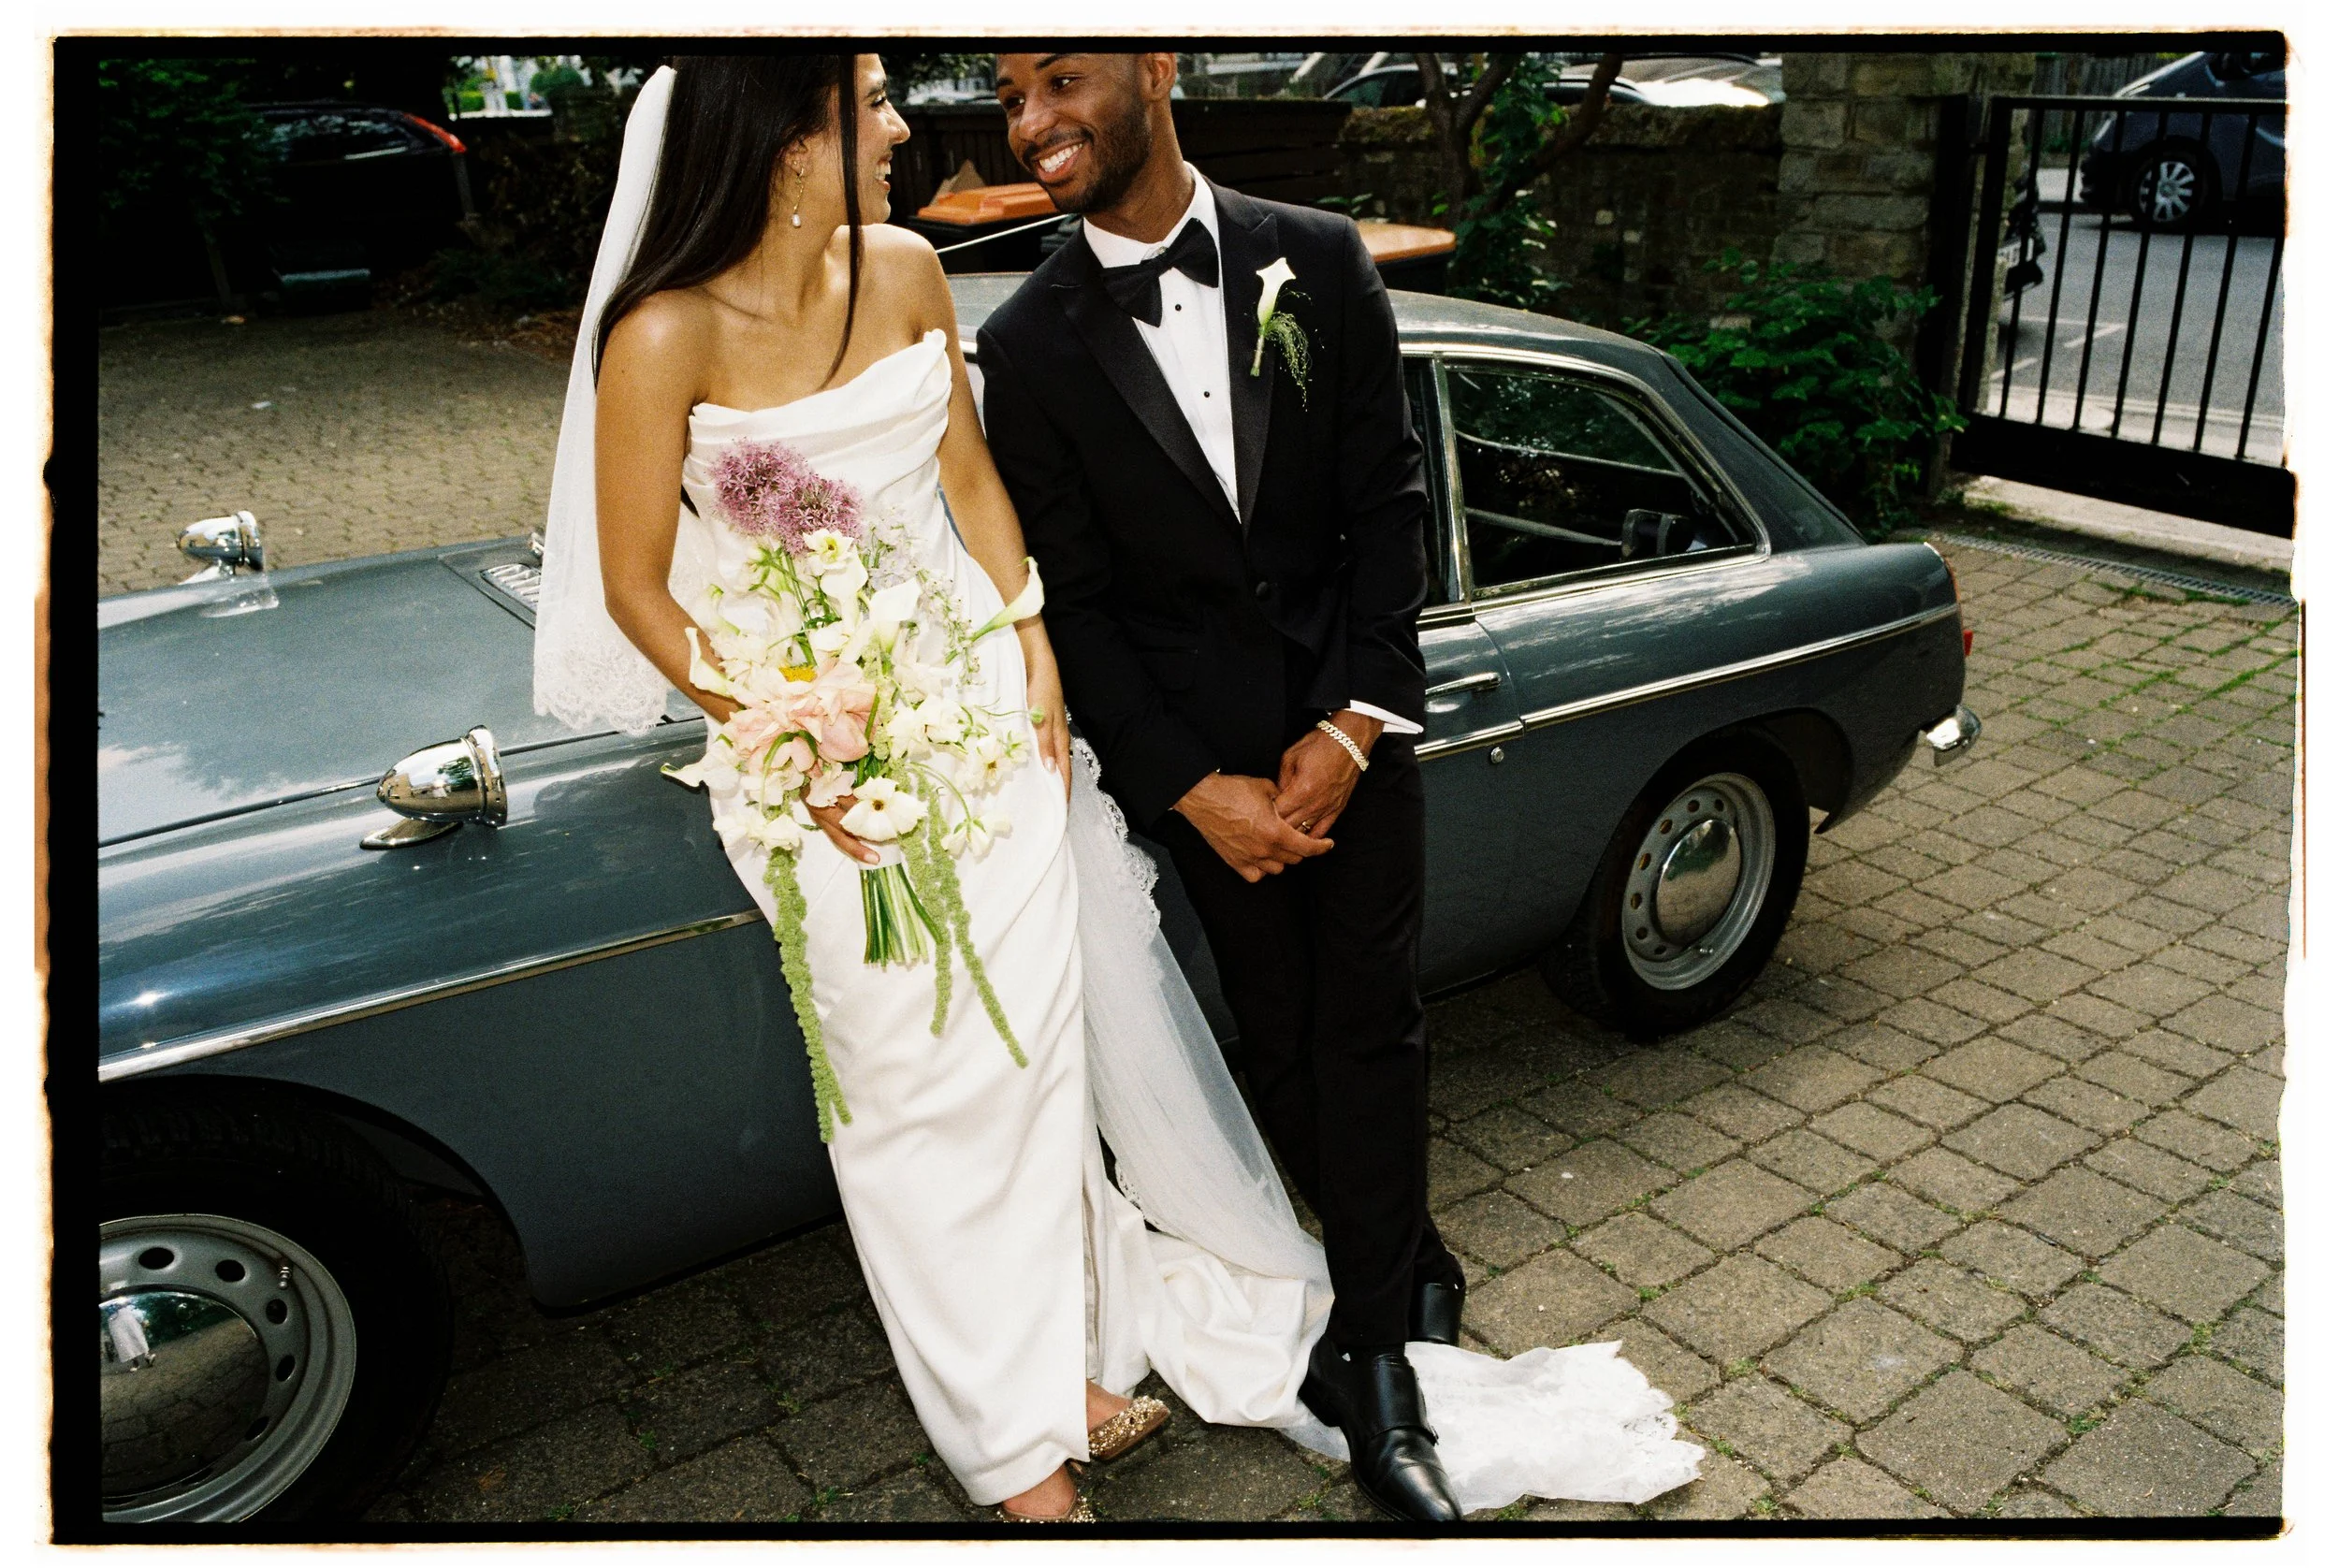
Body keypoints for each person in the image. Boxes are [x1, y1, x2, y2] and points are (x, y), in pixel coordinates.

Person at [536, 53, 1702, 1528]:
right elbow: (647, 585)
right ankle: (1009, 1439)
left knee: (1062, 1070)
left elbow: (1030, 496)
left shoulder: (951, 270)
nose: (924, 126)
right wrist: (795, 730)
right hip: (849, 768)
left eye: (1044, 84)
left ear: (1156, 70)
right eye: (880, 99)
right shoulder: (731, 333)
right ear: (784, 137)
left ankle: (1199, 1349)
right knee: (921, 1107)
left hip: (1029, 730)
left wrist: (1064, 659)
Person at [975, 49, 1460, 1518]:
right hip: (1199, 775)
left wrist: (1357, 725)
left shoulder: (1318, 259)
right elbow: (1073, 604)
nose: (1034, 122)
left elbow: (1389, 505)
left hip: (1350, 739)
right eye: (1010, 95)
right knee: (1282, 1033)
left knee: (1369, 1025)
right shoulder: (1030, 341)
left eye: (1062, 78)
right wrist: (1193, 789)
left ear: (1157, 64)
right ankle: (1405, 1256)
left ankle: (1372, 1361)